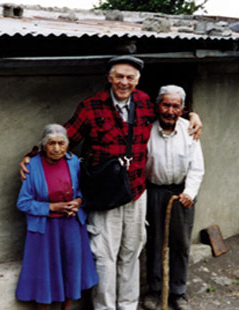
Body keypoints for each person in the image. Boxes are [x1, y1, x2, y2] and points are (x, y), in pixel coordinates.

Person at [19, 56, 202, 310]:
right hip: (104, 196)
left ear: (137, 81)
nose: (124, 82)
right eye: (119, 77)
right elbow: (64, 137)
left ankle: (127, 306)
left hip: (137, 192)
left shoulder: (145, 102)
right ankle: (104, 307)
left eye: (130, 78)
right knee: (104, 256)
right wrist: (32, 155)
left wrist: (194, 114)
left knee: (131, 253)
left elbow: (170, 113)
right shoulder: (91, 107)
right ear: (110, 78)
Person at [16, 124, 98, 310]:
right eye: (51, 143)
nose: (56, 148)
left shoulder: (74, 162)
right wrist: (51, 206)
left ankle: (66, 308)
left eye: (61, 143)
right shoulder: (33, 166)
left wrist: (78, 202)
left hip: (71, 226)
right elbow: (23, 202)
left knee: (70, 269)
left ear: (67, 146)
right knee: (45, 272)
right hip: (45, 229)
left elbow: (85, 191)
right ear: (43, 146)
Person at [144, 85, 205, 310]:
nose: (170, 110)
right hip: (154, 192)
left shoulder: (190, 131)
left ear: (183, 108)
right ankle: (154, 290)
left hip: (182, 193)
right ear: (157, 106)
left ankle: (178, 292)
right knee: (155, 242)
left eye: (175, 106)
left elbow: (197, 168)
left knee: (181, 244)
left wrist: (189, 193)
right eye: (166, 105)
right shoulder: (147, 131)